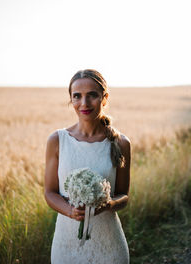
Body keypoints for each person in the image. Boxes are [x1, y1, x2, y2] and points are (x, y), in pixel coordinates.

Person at [44, 69, 131, 264]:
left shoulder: (121, 143)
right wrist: (69, 211)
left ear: (104, 98)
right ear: (71, 100)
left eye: (92, 95)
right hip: (66, 245)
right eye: (77, 96)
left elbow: (124, 196)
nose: (84, 103)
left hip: (109, 246)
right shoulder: (58, 140)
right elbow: (49, 192)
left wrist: (110, 204)